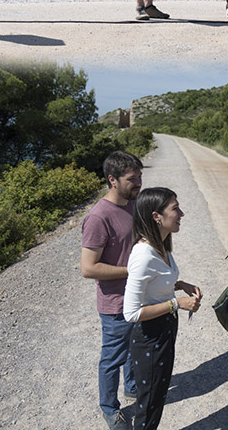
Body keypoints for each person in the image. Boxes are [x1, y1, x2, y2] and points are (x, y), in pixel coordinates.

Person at [123, 187, 202, 430]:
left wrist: (179, 284)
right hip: (150, 336)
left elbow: (156, 281)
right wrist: (176, 303)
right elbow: (131, 313)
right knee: (149, 403)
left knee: (157, 395)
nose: (182, 213)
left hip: (165, 329)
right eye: (175, 208)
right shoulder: (143, 255)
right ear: (156, 216)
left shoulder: (162, 245)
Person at [81, 151, 144, 430]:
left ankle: (131, 386)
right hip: (115, 302)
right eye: (132, 179)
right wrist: (132, 271)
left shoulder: (134, 203)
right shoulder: (98, 217)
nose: (139, 183)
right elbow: (89, 268)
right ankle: (109, 408)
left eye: (140, 176)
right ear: (112, 180)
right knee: (112, 358)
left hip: (139, 295)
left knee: (135, 347)